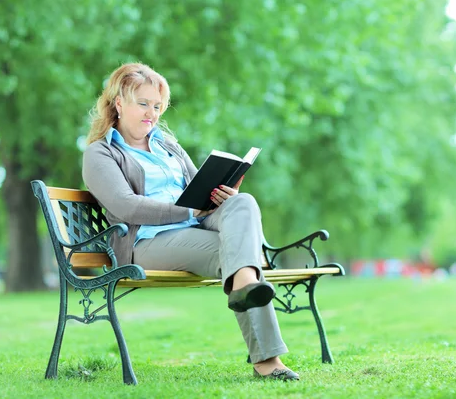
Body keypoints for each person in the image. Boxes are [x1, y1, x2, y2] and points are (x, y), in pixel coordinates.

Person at [82, 62, 299, 381]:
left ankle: (244, 287)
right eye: (142, 104)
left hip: (194, 227)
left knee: (243, 203)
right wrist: (188, 212)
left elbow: (195, 187)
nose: (151, 113)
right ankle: (269, 362)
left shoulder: (166, 144)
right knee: (244, 262)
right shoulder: (101, 154)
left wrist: (222, 192)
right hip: (147, 243)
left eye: (157, 106)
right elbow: (126, 206)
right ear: (118, 103)